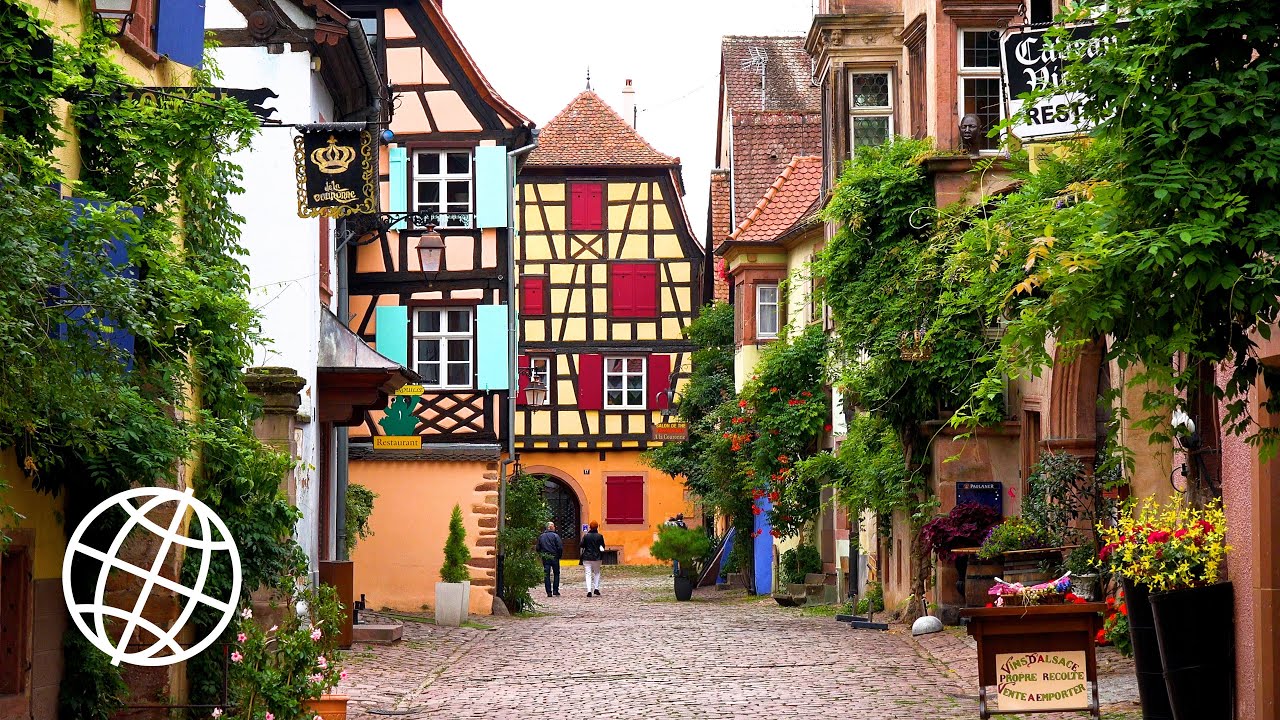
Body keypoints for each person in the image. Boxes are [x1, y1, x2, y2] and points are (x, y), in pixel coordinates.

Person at [536, 522, 563, 597]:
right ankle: (555, 590)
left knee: (546, 574)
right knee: (556, 573)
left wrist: (541, 554)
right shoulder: (556, 536)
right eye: (554, 526)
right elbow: (560, 547)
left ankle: (548, 592)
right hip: (554, 557)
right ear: (552, 528)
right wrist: (559, 556)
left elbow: (538, 547)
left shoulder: (542, 536)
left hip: (546, 557)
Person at [580, 521, 606, 597]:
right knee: (597, 573)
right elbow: (602, 546)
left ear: (590, 527)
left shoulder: (586, 536)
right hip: (597, 557)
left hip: (587, 557)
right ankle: (596, 588)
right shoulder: (600, 536)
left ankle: (589, 590)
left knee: (588, 574)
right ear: (597, 527)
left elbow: (581, 545)